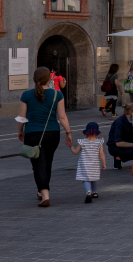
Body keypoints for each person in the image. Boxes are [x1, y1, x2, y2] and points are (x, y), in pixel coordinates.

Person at [17, 67, 73, 207]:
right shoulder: (57, 95)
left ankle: (45, 195)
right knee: (47, 162)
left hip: (32, 133)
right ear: (50, 79)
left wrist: (20, 131)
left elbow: (22, 117)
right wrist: (68, 132)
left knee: (38, 164)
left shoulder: (27, 95)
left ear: (35, 79)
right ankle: (41, 191)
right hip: (52, 133)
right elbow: (62, 116)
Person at [70, 122, 106, 204]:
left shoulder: (82, 142)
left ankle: (88, 192)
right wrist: (104, 163)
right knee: (94, 178)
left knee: (85, 179)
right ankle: (95, 192)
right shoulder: (99, 142)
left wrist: (71, 146)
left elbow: (75, 152)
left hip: (84, 165)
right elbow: (101, 153)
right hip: (95, 164)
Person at [107, 104, 133, 169]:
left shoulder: (132, 120)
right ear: (131, 112)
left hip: (126, 140)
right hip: (115, 147)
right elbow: (118, 142)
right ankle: (119, 157)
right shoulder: (119, 122)